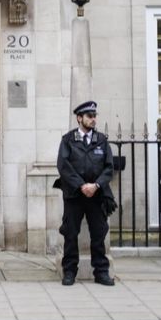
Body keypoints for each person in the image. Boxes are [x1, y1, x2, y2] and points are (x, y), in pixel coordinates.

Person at [56, 100, 116, 286]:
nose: (93, 119)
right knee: (70, 233)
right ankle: (69, 272)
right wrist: (82, 186)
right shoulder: (68, 140)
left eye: (94, 116)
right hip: (75, 194)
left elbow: (109, 167)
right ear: (79, 118)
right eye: (89, 116)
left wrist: (96, 185)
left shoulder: (102, 141)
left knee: (98, 233)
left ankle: (101, 272)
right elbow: (63, 166)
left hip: (97, 195)